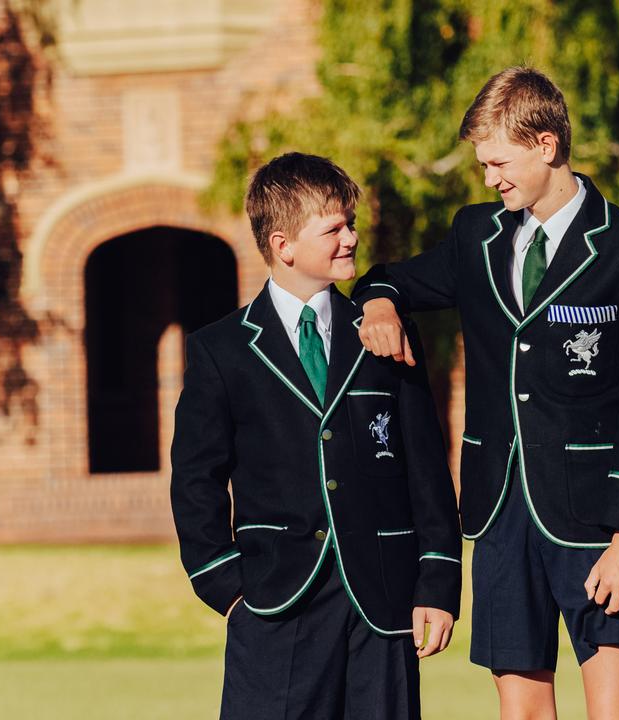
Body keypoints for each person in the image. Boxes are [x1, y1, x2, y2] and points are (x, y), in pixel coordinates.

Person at [353, 67, 619, 719]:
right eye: (483, 164)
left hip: (595, 518)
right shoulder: (476, 236)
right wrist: (382, 307)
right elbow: (387, 278)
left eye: (499, 162)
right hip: (499, 513)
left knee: (614, 712)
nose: (489, 178)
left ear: (546, 146)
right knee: (522, 712)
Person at [171, 152, 462, 720]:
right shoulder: (221, 350)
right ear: (283, 245)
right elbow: (195, 479)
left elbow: (426, 470)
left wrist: (438, 581)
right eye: (334, 228)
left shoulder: (385, 335)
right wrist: (227, 586)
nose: (351, 238)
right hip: (274, 599)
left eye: (350, 224)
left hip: (383, 600)